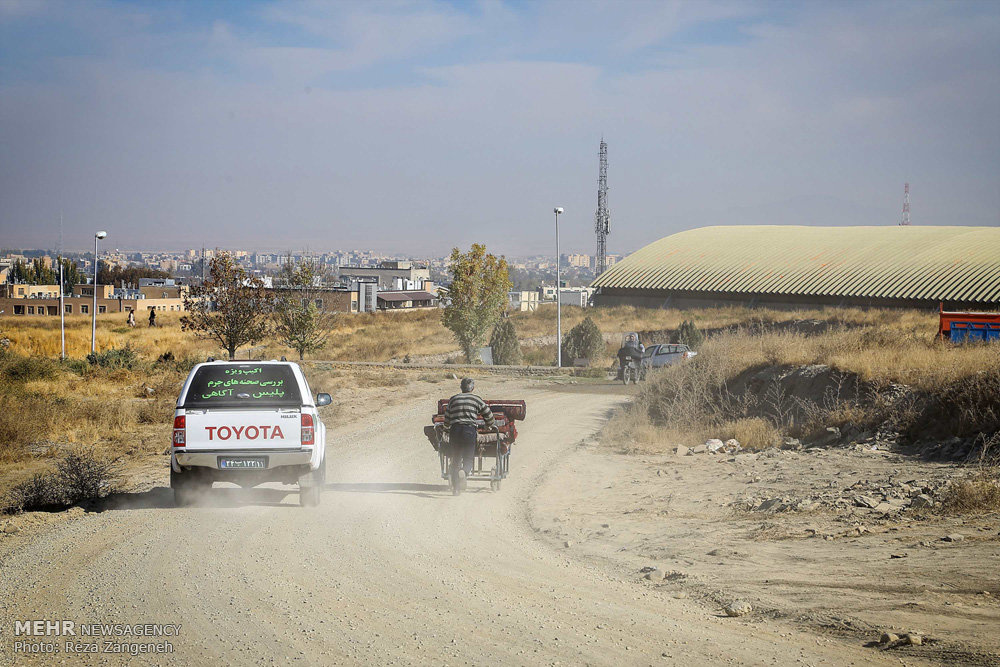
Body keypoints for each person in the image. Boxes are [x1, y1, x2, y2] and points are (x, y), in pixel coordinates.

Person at [443, 378, 495, 492]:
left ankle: (456, 489)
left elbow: (447, 418)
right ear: (473, 388)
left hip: (455, 430)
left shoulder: (453, 399)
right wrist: (489, 425)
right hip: (469, 430)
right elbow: (489, 415)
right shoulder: (476, 399)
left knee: (455, 459)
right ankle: (465, 471)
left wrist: (446, 429)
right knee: (468, 457)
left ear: (461, 388)